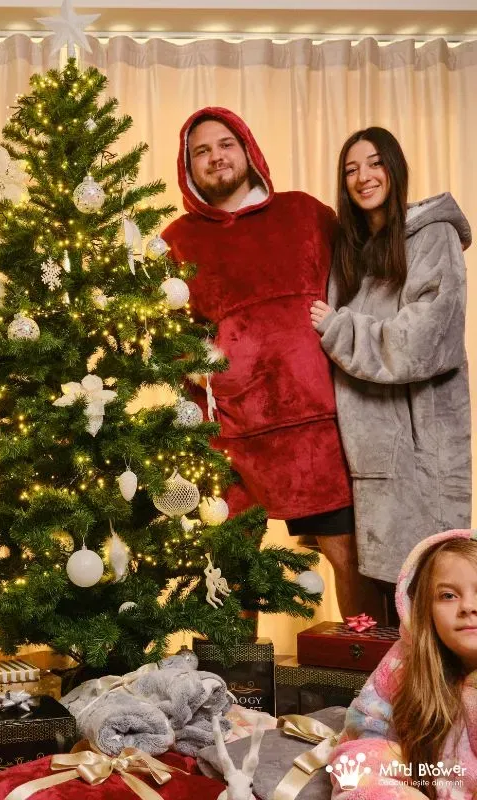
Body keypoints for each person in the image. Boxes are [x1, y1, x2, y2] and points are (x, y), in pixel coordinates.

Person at [162, 107, 380, 620]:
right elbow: (167, 336)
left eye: (225, 145)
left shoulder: (306, 214)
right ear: (188, 167)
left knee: (349, 559)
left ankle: (366, 664)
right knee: (229, 567)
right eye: (202, 151)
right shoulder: (176, 241)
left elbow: (362, 289)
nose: (216, 157)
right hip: (229, 435)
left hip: (317, 429)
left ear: (248, 150)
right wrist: (203, 373)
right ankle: (233, 671)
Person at [311, 127, 471, 622]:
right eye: (351, 169)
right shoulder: (350, 252)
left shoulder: (434, 236)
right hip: (360, 457)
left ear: (395, 168)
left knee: (425, 597)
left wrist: (340, 329)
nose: (363, 177)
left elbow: (423, 342)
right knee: (371, 611)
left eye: (375, 163)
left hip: (421, 457)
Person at [327, 530, 477, 799]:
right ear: (425, 608)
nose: (467, 606)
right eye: (447, 596)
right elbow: (365, 745)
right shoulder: (404, 664)